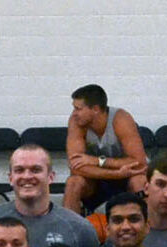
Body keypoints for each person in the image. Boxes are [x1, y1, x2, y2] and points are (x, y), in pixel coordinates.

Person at [0, 144, 103, 247]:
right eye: (19, 170)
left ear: (51, 177)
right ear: (10, 178)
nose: (27, 176)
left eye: (35, 170)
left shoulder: (79, 229)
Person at [62, 83, 148, 214]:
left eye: (78, 109)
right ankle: (70, 231)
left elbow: (139, 162)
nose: (74, 113)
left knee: (139, 181)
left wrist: (98, 161)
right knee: (73, 183)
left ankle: (150, 230)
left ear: (95, 109)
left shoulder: (120, 119)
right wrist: (115, 174)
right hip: (99, 179)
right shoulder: (76, 122)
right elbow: (76, 167)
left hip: (126, 177)